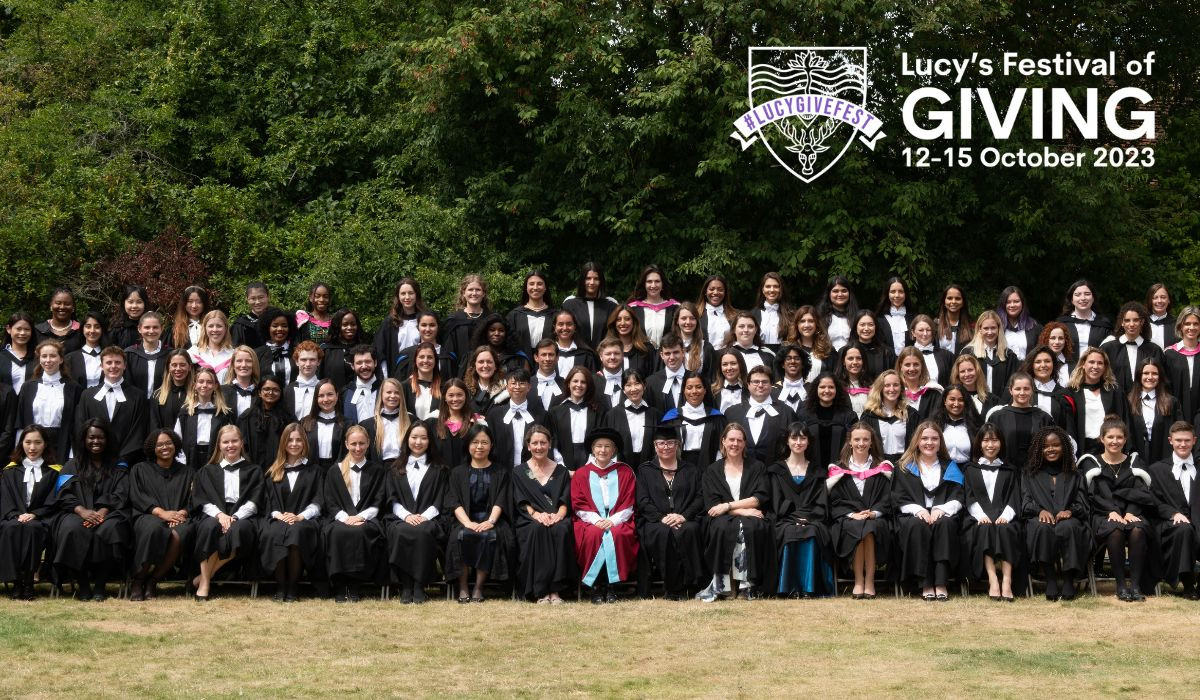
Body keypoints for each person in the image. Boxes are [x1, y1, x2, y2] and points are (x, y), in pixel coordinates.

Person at [1079, 416, 1157, 601]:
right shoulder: (1091, 463)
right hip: (1101, 513)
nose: (1115, 441)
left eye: (1119, 437)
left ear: (1125, 439)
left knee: (1138, 529)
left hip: (1133, 511)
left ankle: (1136, 586)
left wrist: (1130, 511)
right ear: (1102, 439)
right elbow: (1092, 495)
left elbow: (1141, 493)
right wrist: (1111, 511)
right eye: (1110, 437)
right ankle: (1121, 586)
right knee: (1115, 529)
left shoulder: (1135, 462)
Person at [52, 420, 131, 601]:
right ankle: (83, 585)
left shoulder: (119, 464)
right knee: (73, 529)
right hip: (76, 512)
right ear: (84, 439)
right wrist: (82, 511)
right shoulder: (72, 465)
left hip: (110, 513)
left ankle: (101, 585)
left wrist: (102, 511)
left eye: (101, 437)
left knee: (110, 529)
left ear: (108, 439)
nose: (96, 441)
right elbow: (62, 493)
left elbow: (122, 492)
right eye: (91, 437)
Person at [696, 423, 773, 602]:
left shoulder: (757, 467)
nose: (735, 444)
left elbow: (759, 498)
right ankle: (726, 585)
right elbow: (714, 506)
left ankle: (747, 585)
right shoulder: (712, 470)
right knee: (724, 528)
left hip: (747, 514)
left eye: (739, 440)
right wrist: (742, 511)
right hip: (723, 517)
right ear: (723, 441)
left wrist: (729, 506)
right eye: (731, 439)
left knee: (750, 527)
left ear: (745, 443)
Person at [190, 425, 263, 600]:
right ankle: (206, 584)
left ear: (242, 443)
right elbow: (201, 500)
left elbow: (255, 501)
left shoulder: (254, 471)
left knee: (240, 531)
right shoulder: (207, 471)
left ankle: (204, 577)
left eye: (234, 441)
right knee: (208, 529)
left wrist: (235, 517)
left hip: (243, 516)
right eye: (226, 442)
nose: (230, 445)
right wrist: (220, 516)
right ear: (219, 445)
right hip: (214, 514)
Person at [444, 424, 515, 603]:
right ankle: (462, 587)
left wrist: (490, 521)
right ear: (468, 445)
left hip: (492, 520)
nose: (480, 446)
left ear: (491, 445)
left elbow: (501, 499)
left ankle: (478, 587)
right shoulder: (457, 472)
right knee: (460, 535)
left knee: (488, 536)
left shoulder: (501, 472)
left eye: (484, 442)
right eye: (475, 442)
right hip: (464, 519)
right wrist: (467, 523)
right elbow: (454, 501)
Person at [893, 422, 964, 600]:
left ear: (940, 442)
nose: (929, 442)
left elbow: (959, 496)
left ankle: (941, 582)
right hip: (913, 514)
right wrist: (918, 510)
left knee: (945, 525)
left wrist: (942, 508)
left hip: (943, 513)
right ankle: (924, 582)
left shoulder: (951, 467)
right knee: (918, 525)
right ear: (917, 441)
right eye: (924, 438)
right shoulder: (904, 467)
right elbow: (898, 497)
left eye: (934, 438)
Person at [635, 423, 704, 599]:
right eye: (661, 443)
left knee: (689, 530)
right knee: (664, 533)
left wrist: (683, 516)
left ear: (677, 445)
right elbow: (642, 501)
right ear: (655, 446)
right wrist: (661, 518)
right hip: (655, 521)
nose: (666, 447)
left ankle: (691, 586)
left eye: (670, 443)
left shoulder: (691, 469)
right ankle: (673, 588)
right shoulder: (645, 471)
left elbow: (700, 497)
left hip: (685, 519)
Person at [827, 422, 894, 599]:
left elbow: (889, 497)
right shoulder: (838, 469)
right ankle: (859, 581)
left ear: (872, 442)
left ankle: (869, 581)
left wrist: (875, 512)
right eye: (857, 439)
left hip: (876, 518)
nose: (861, 443)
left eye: (866, 439)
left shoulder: (882, 468)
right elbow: (835, 500)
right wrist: (852, 514)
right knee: (859, 529)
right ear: (850, 441)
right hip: (848, 519)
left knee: (869, 529)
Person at [259, 423, 324, 602]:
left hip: (304, 519)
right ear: (283, 443)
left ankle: (293, 586)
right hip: (277, 518)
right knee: (274, 532)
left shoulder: (315, 471)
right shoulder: (273, 471)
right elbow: (267, 501)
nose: (294, 444)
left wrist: (301, 516)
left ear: (305, 443)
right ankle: (281, 586)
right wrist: (278, 515)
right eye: (290, 440)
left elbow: (318, 501)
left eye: (298, 440)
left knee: (297, 531)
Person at [573, 426, 638, 603]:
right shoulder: (581, 473)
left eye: (608, 446)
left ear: (614, 450)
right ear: (592, 449)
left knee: (618, 535)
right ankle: (595, 587)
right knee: (594, 535)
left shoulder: (625, 472)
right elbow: (578, 504)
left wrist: (613, 520)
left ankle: (612, 587)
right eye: (599, 446)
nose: (603, 450)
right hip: (590, 520)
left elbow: (629, 501)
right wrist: (596, 520)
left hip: (618, 518)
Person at [1023, 426, 1089, 601]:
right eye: (1045, 446)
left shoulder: (1075, 475)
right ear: (1039, 449)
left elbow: (1082, 504)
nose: (1050, 449)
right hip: (1040, 519)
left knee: (1069, 527)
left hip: (1070, 519)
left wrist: (1070, 511)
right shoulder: (1030, 474)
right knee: (1042, 527)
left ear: (1065, 447)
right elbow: (1025, 502)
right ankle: (1050, 579)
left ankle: (1068, 580)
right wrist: (1040, 510)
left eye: (1056, 445)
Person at [769, 421, 834, 598]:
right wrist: (795, 518)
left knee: (812, 532)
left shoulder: (818, 472)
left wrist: (808, 518)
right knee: (790, 531)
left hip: (813, 519)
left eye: (803, 438)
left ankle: (808, 588)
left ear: (809, 442)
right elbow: (776, 502)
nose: (798, 442)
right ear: (787, 441)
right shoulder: (776, 471)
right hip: (785, 520)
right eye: (794, 437)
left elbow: (821, 503)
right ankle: (787, 587)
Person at [385, 422, 448, 604]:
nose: (418, 442)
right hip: (400, 518)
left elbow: (441, 499)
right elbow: (392, 499)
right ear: (407, 440)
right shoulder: (395, 468)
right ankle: (406, 585)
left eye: (423, 438)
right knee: (401, 531)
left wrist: (423, 517)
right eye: (414, 437)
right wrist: (407, 516)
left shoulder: (440, 469)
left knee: (423, 532)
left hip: (430, 518)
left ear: (430, 441)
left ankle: (419, 585)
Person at [511, 425, 575, 604]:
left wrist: (559, 516)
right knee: (537, 530)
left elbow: (565, 500)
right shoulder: (519, 472)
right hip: (529, 519)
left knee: (561, 530)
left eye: (543, 443)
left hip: (557, 517)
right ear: (528, 445)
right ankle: (540, 591)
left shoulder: (561, 471)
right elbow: (521, 501)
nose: (539, 447)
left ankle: (556, 590)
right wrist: (536, 515)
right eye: (535, 443)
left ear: (549, 444)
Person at [128, 429, 194, 601]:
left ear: (175, 445)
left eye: (168, 443)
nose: (165, 447)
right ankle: (138, 578)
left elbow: (193, 499)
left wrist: (181, 512)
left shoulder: (187, 472)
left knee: (180, 534)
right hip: (148, 515)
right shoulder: (140, 469)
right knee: (154, 528)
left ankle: (153, 580)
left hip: (178, 517)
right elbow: (137, 496)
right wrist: (162, 513)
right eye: (159, 444)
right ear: (152, 448)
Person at [322, 424, 386, 603]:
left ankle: (356, 583)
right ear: (346, 444)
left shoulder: (377, 471)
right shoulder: (335, 471)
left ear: (368, 444)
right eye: (353, 444)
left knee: (362, 532)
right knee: (337, 532)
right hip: (340, 519)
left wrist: (360, 517)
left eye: (362, 443)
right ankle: (341, 584)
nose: (357, 448)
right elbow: (330, 501)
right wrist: (345, 518)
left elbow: (379, 501)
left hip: (367, 519)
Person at [961, 423, 1022, 601]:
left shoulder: (1009, 470)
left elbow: (1014, 497)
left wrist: (1005, 516)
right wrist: (981, 516)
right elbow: (969, 497)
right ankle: (993, 579)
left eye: (995, 440)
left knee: (1006, 529)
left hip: (1006, 517)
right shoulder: (970, 470)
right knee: (985, 528)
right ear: (979, 443)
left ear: (1001, 443)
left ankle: (1007, 581)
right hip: (978, 518)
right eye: (986, 440)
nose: (990, 445)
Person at [0, 425, 61, 598]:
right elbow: (5, 498)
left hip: (41, 518)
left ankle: (29, 582)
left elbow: (54, 501)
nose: (32, 447)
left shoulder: (53, 472)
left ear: (45, 445)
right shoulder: (10, 471)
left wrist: (35, 514)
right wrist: (16, 515)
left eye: (37, 442)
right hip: (13, 516)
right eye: (28, 442)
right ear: (21, 444)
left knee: (33, 529)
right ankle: (16, 583)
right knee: (12, 528)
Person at [1148, 421, 1200, 598]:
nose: (1183, 444)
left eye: (1187, 440)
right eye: (1178, 440)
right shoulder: (1157, 470)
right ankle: (1187, 584)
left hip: (1197, 521)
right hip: (1169, 525)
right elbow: (1153, 502)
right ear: (1170, 440)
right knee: (1184, 530)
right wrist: (1173, 513)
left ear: (1194, 440)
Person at [74, 346, 149, 465]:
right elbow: (81, 428)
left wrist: (122, 460)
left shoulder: (138, 396)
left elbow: (138, 432)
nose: (113, 366)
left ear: (124, 366)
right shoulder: (87, 396)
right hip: (94, 462)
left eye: (118, 362)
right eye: (109, 362)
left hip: (127, 464)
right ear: (102, 366)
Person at [18, 339, 82, 461]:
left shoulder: (74, 388)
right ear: (39, 359)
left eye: (53, 356)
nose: (48, 360)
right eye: (44, 356)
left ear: (61, 359)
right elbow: (21, 423)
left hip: (63, 444)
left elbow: (76, 424)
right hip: (34, 444)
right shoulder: (28, 387)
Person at [723, 365, 796, 464]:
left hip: (775, 474)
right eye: (756, 382)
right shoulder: (732, 413)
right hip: (741, 473)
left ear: (771, 385)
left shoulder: (787, 412)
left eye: (765, 382)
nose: (760, 385)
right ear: (748, 385)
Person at [1067, 347, 1129, 455]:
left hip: (1109, 449)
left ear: (1105, 367)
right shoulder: (1072, 392)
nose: (1095, 366)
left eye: (1100, 363)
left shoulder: (1114, 391)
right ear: (1083, 364)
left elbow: (1125, 420)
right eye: (1091, 362)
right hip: (1082, 448)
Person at [985, 373, 1054, 468]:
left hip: (1037, 473)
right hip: (1005, 471)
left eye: (1026, 389)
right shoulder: (997, 416)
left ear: (1032, 390)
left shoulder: (1043, 417)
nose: (1022, 393)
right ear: (1010, 390)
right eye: (1018, 389)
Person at [174, 367, 234, 469]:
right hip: (190, 458)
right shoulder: (186, 411)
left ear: (215, 386)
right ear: (194, 385)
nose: (204, 385)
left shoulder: (223, 413)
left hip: (215, 458)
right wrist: (182, 460)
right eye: (201, 382)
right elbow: (177, 438)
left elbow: (228, 440)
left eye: (209, 382)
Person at [485, 368, 545, 469]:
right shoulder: (494, 415)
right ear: (507, 387)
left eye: (522, 383)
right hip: (501, 472)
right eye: (513, 383)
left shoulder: (541, 415)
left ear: (529, 387)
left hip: (533, 471)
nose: (517, 387)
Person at [1127, 358, 1183, 464]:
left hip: (1163, 457)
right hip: (1136, 458)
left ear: (1160, 376)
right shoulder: (1128, 401)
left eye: (1154, 373)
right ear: (1139, 376)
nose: (1150, 377)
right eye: (1146, 373)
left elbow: (1179, 430)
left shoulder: (1171, 402)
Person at [1100, 301, 1162, 396]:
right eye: (1127, 320)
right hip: (1115, 401)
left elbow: (1161, 380)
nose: (1131, 324)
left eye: (1136, 320)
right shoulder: (1108, 348)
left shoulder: (1154, 349)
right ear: (1122, 322)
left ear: (1142, 321)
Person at [547, 366, 602, 471]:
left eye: (583, 382)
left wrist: (591, 463)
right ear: (568, 384)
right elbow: (553, 440)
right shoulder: (555, 412)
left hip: (591, 461)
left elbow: (599, 439)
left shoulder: (595, 412)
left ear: (588, 386)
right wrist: (561, 466)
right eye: (575, 381)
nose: (579, 385)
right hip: (562, 461)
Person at [602, 369, 660, 468]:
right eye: (628, 385)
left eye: (637, 383)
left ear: (644, 385)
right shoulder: (613, 415)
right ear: (623, 389)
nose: (633, 389)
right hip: (620, 469)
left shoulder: (655, 414)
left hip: (650, 468)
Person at [664, 374, 726, 468]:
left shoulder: (716, 417)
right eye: (689, 387)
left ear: (705, 390)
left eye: (698, 387)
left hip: (710, 465)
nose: (694, 391)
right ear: (684, 391)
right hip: (680, 466)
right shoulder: (673, 417)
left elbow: (722, 446)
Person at [796, 373, 855, 470]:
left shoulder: (848, 415)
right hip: (810, 471)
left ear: (837, 390)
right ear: (816, 389)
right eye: (822, 387)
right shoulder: (804, 414)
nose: (827, 391)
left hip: (841, 470)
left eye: (831, 387)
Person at [861, 370, 917, 464]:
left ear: (901, 388)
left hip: (905, 465)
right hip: (877, 466)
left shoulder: (911, 415)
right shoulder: (869, 416)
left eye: (896, 385)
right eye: (887, 385)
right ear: (880, 388)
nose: (892, 389)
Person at [374, 277, 428, 376]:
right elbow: (380, 353)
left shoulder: (425, 320)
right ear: (398, 296)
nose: (407, 297)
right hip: (396, 372)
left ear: (417, 295)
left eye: (411, 293)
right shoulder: (390, 322)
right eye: (403, 293)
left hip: (421, 372)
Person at [959, 310, 1018, 399]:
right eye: (986, 328)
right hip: (973, 403)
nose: (990, 332)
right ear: (980, 329)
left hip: (1001, 406)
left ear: (999, 329)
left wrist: (1001, 406)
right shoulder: (969, 353)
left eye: (993, 328)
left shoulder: (1009, 356)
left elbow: (1012, 384)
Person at [426, 378, 480, 468]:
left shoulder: (475, 423)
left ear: (466, 396)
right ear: (445, 398)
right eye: (451, 395)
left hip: (466, 477)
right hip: (440, 477)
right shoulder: (432, 422)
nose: (455, 399)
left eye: (459, 395)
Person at [562, 262, 618, 350]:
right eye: (588, 278)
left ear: (601, 281)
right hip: (577, 356)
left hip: (604, 357)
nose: (592, 282)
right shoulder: (570, 304)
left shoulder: (611, 305)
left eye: (596, 279)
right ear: (582, 280)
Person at [236, 376, 289, 469]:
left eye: (275, 390)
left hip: (279, 470)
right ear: (259, 393)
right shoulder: (247, 417)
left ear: (281, 393)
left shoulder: (287, 418)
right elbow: (241, 447)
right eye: (266, 389)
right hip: (252, 471)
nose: (271, 393)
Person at [442, 274, 491, 367]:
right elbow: (448, 351)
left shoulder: (491, 318)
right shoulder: (454, 320)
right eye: (470, 289)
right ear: (463, 293)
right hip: (460, 370)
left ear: (483, 293)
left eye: (478, 290)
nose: (474, 293)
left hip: (486, 368)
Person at [360, 377, 413, 463]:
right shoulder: (368, 425)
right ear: (381, 395)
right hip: (379, 471)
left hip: (405, 468)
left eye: (397, 393)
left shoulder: (411, 421)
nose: (392, 396)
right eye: (388, 392)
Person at [507, 270, 557, 359]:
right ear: (526, 287)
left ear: (545, 287)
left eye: (539, 284)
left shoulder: (555, 315)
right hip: (521, 363)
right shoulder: (514, 315)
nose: (535, 287)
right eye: (531, 284)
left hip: (549, 363)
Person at [627, 264, 680, 348]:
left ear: (663, 283)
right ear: (644, 284)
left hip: (668, 357)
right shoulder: (633, 308)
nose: (653, 285)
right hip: (641, 357)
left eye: (657, 281)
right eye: (649, 281)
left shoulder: (675, 307)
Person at [929, 384, 982, 466]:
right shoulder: (934, 425)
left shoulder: (975, 425)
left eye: (961, 400)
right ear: (944, 401)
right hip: (940, 470)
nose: (956, 404)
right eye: (952, 399)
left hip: (967, 471)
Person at [1164, 306, 1200, 422]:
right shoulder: (1169, 354)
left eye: (1196, 324)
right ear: (1180, 326)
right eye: (1187, 324)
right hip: (1175, 411)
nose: (1191, 327)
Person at [320, 308, 369, 392]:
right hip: (332, 400)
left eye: (353, 324)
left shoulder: (365, 350)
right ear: (338, 326)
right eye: (345, 324)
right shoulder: (326, 350)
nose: (349, 327)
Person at [301, 379, 346, 470]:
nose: (326, 399)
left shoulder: (347, 424)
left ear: (337, 396)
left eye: (330, 394)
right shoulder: (305, 423)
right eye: (321, 396)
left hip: (338, 472)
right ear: (316, 398)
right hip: (311, 472)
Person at [1057, 279, 1112, 353]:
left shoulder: (1104, 324)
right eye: (1077, 295)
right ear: (1071, 300)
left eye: (1087, 294)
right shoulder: (1062, 324)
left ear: (1093, 298)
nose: (1083, 298)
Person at [124, 312, 168, 400]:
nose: (151, 331)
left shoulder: (170, 354)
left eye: (155, 327)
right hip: (136, 404)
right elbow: (126, 383)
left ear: (162, 329)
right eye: (147, 327)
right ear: (139, 329)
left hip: (163, 405)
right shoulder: (130, 354)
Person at [605, 304, 657, 377]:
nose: (623, 323)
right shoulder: (606, 351)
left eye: (627, 319)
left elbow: (653, 378)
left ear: (634, 322)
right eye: (618, 319)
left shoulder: (646, 350)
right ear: (614, 323)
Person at [722, 313, 776, 380]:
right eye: (741, 326)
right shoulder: (722, 354)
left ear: (756, 330)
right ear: (734, 329)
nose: (746, 330)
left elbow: (775, 381)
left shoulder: (768, 354)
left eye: (750, 326)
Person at [644, 334, 689, 415]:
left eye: (676, 352)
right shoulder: (651, 383)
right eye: (667, 353)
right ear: (662, 355)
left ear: (683, 352)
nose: (672, 357)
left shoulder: (696, 379)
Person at [671, 302, 713, 384]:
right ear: (677, 321)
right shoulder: (669, 346)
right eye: (683, 318)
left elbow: (710, 378)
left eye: (692, 318)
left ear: (697, 321)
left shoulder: (706, 348)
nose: (688, 322)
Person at [896, 346, 943, 420]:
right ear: (900, 366)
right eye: (907, 365)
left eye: (916, 364)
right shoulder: (895, 393)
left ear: (922, 366)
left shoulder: (933, 393)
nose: (912, 369)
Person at [188, 310, 235, 383]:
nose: (215, 329)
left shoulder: (233, 355)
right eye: (210, 326)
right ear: (205, 328)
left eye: (219, 326)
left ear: (225, 328)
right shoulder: (195, 353)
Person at [342, 345, 385, 423]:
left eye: (368, 361)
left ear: (375, 363)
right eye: (359, 363)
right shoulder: (345, 393)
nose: (364, 366)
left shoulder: (386, 389)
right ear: (352, 366)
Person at [399, 342, 442, 422]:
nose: (425, 360)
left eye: (430, 357)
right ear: (415, 360)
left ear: (435, 361)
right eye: (421, 357)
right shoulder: (404, 387)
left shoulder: (443, 387)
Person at [254, 308, 298, 384]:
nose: (280, 329)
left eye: (284, 326)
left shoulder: (297, 351)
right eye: (275, 326)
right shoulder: (257, 354)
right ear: (267, 328)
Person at [997, 286, 1041, 361]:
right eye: (1008, 302)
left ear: (1022, 303)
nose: (1012, 305)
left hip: (1027, 371)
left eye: (1016, 301)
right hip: (1004, 371)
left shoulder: (1034, 327)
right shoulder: (996, 326)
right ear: (1003, 304)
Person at [282, 341, 323, 421]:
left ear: (318, 362)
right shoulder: (286, 391)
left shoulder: (325, 389)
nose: (308, 364)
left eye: (312, 359)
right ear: (297, 362)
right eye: (303, 360)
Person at [34, 287, 84, 354]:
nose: (62, 307)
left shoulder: (82, 331)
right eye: (58, 303)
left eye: (67, 304)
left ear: (73, 308)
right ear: (51, 306)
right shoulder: (38, 331)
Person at [750, 272, 792, 352]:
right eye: (768, 286)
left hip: (783, 358)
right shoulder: (752, 315)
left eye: (776, 286)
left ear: (781, 289)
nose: (772, 290)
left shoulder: (791, 314)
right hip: (760, 357)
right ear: (763, 289)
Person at [910, 314, 955, 387]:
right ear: (913, 333)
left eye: (928, 330)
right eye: (921, 330)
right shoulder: (906, 355)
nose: (925, 334)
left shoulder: (947, 356)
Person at [549, 309, 596, 376]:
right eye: (561, 324)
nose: (565, 328)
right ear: (554, 327)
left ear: (575, 327)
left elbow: (591, 381)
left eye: (569, 324)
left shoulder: (586, 355)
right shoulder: (546, 353)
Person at [463, 346, 508, 415]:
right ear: (475, 365)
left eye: (489, 362)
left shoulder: (506, 390)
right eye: (481, 362)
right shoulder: (465, 390)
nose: (485, 365)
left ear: (495, 366)